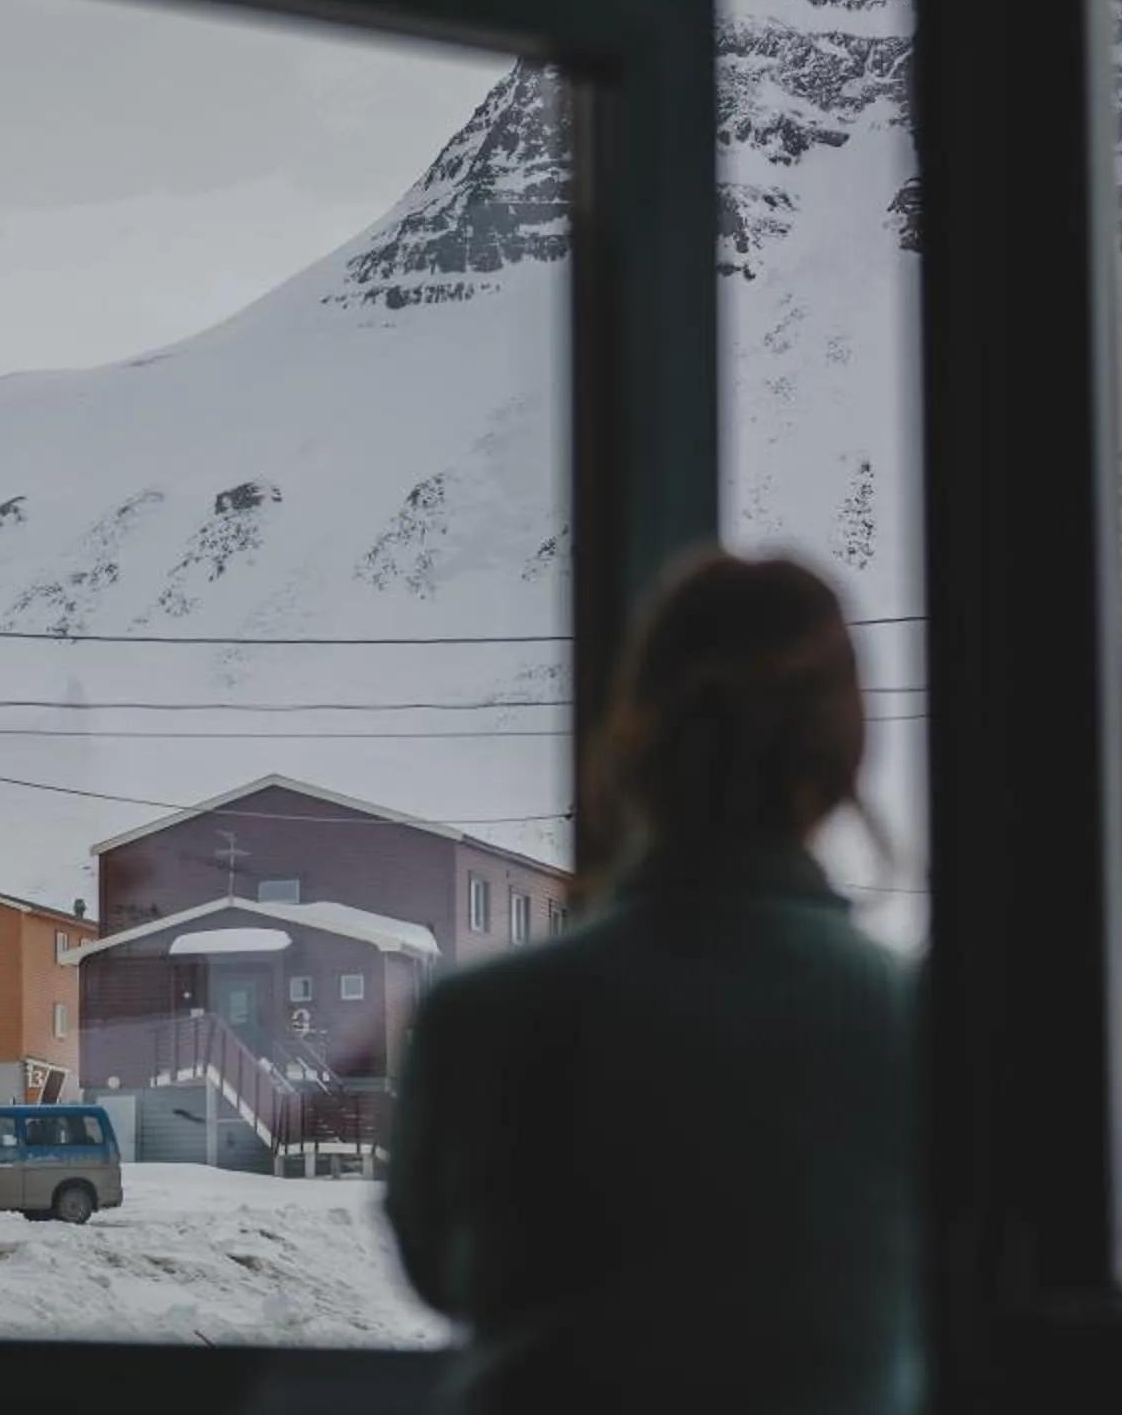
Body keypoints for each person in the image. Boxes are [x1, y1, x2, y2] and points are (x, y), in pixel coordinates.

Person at [384, 548, 921, 1414]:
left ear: (630, 737)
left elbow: (443, 1275)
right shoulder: (921, 1025)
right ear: (845, 755)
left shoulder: (479, 1019)